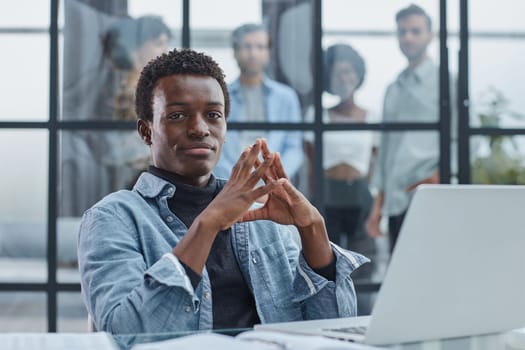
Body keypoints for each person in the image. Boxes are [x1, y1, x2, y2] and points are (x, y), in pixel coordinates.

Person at [78, 48, 369, 333]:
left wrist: (312, 228)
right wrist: (208, 223)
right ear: (146, 131)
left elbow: (333, 329)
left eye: (213, 115)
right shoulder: (112, 218)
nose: (200, 128)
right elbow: (125, 332)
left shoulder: (262, 215)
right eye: (178, 115)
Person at [305, 44, 378, 314]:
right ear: (328, 79)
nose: (343, 79)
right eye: (337, 74)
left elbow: (374, 162)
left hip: (359, 196)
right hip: (328, 196)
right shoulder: (317, 115)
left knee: (363, 265)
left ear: (358, 75)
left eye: (348, 72)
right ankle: (331, 317)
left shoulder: (372, 115)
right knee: (328, 263)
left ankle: (364, 320)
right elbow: (311, 167)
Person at [366, 4, 440, 252]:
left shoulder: (446, 82)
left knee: (434, 274)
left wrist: (439, 177)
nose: (408, 37)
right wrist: (378, 206)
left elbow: (466, 139)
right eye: (403, 31)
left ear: (430, 35)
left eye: (415, 31)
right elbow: (387, 149)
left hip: (431, 196)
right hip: (396, 201)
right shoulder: (393, 89)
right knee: (402, 278)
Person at [214, 23, 304, 182]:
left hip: (274, 183)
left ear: (268, 53)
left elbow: (294, 148)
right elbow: (215, 145)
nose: (253, 53)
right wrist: (235, 178)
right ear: (235, 52)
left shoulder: (286, 97)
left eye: (260, 47)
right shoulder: (220, 95)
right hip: (229, 183)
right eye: (247, 46)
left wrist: (274, 176)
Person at [102, 15, 172, 189]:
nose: (165, 51)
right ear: (136, 48)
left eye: (165, 43)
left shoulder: (144, 87)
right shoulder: (129, 92)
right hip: (135, 176)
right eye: (158, 44)